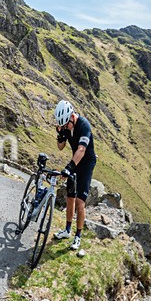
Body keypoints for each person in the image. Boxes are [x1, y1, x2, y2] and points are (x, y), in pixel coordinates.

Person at [53, 99, 98, 251]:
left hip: (86, 163)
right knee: (70, 197)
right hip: (75, 162)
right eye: (63, 126)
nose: (65, 127)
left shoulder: (84, 125)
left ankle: (77, 236)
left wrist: (69, 168)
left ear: (72, 117)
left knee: (80, 202)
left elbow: (81, 150)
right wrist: (60, 135)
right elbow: (61, 147)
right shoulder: (65, 125)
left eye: (66, 125)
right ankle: (67, 230)